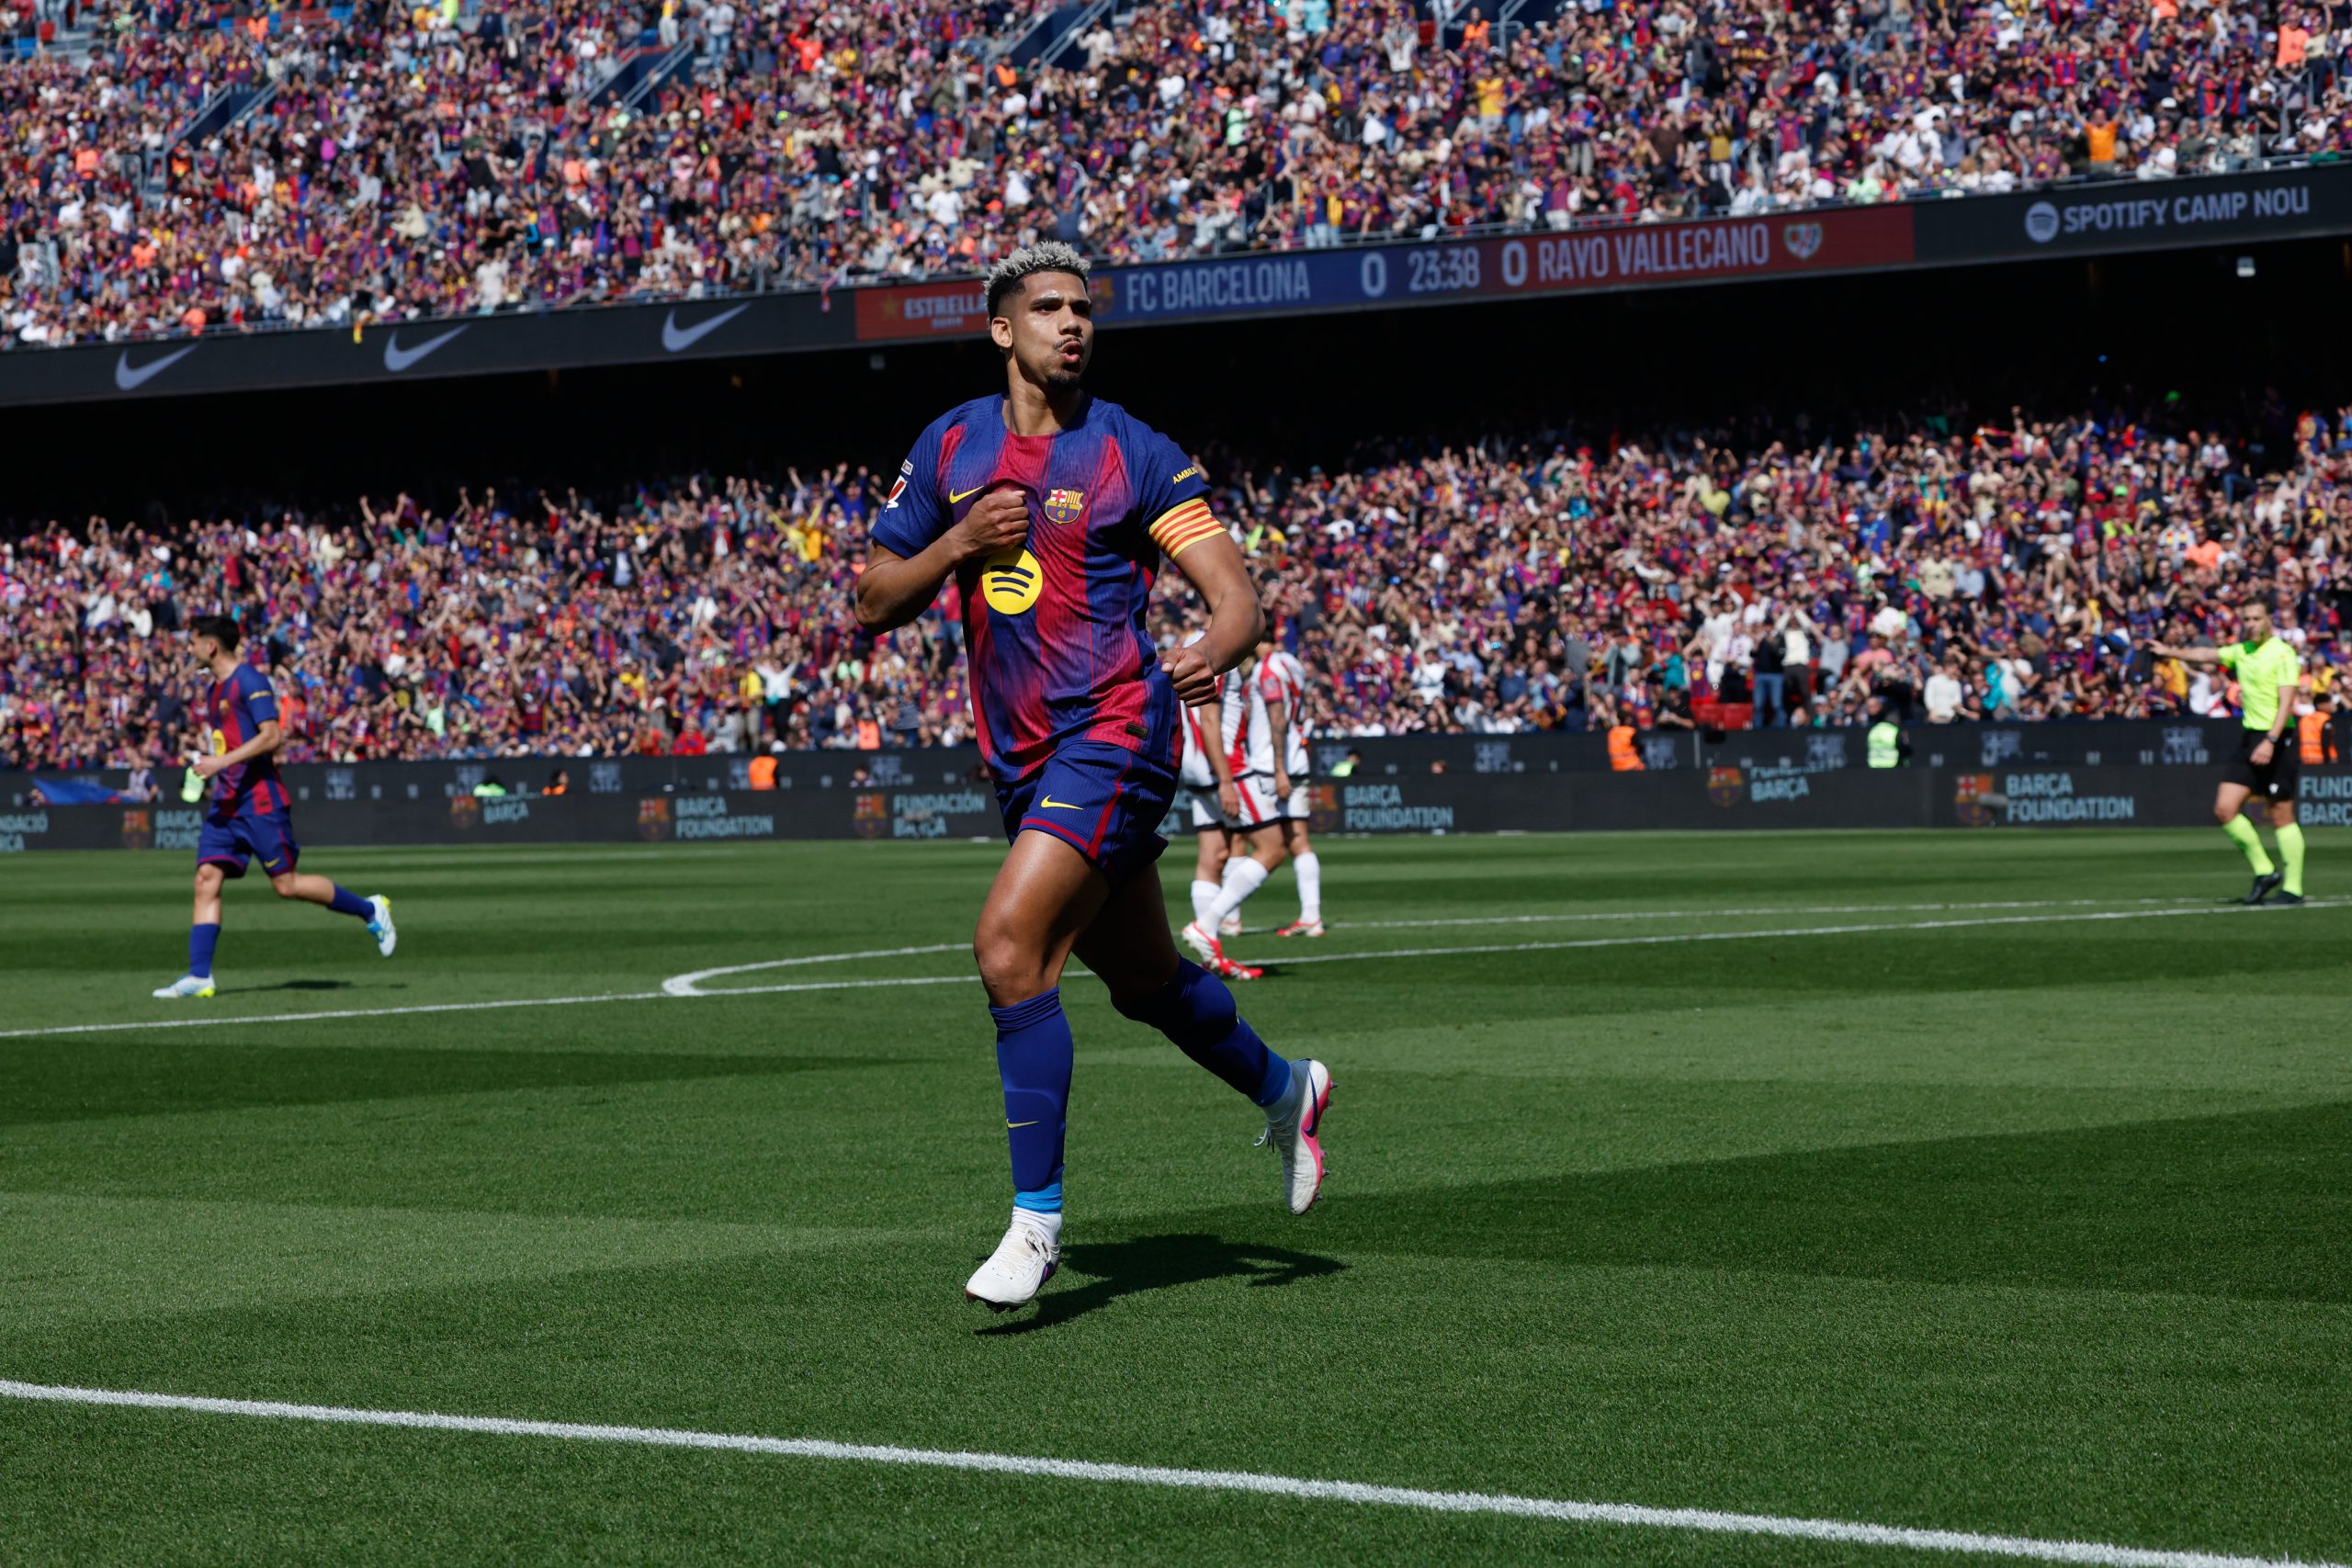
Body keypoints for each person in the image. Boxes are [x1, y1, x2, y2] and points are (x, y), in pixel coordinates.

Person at [854, 243, 1332, 1313]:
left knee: (1007, 947)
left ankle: (1036, 1225)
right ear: (1001, 329)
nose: (1071, 323)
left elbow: (1236, 599)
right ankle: (1286, 1087)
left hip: (1118, 733)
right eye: (1047, 308)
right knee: (1145, 982)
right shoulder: (950, 445)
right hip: (1022, 759)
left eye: (1082, 309)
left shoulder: (1132, 450)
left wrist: (1214, 647)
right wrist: (956, 543)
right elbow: (873, 599)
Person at [151, 616, 395, 1000]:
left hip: (259, 800)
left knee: (286, 885)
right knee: (206, 878)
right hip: (227, 801)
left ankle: (369, 909)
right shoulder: (214, 690)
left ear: (211, 646)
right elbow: (230, 741)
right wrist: (210, 764)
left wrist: (221, 762)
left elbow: (272, 736)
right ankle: (200, 975)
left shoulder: (250, 681)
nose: (189, 649)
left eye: (193, 642)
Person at [2149, 601, 2307, 905]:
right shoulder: (2242, 651)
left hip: (2277, 737)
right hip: (2251, 737)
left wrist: (2271, 740)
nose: (2251, 624)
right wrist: (2170, 651)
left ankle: (2293, 889)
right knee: (2225, 808)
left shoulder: (2282, 653)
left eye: (2257, 618)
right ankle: (2265, 871)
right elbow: (2206, 654)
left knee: (2281, 814)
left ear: (2269, 619)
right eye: (2247, 619)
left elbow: (2287, 701)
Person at [1173, 629, 1252, 970]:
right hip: (1213, 765)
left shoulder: (1188, 643)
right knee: (1267, 843)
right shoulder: (1217, 646)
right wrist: (1226, 780)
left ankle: (1210, 952)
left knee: (1212, 854)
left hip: (1192, 764)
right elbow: (1209, 717)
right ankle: (1219, 922)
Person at [1259, 638, 1326, 938]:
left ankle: (1221, 920)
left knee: (1240, 838)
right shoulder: (1293, 664)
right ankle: (1312, 916)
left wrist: (1278, 768)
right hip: (1296, 757)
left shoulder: (1269, 668)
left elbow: (1277, 718)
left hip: (1273, 765)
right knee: (1299, 840)